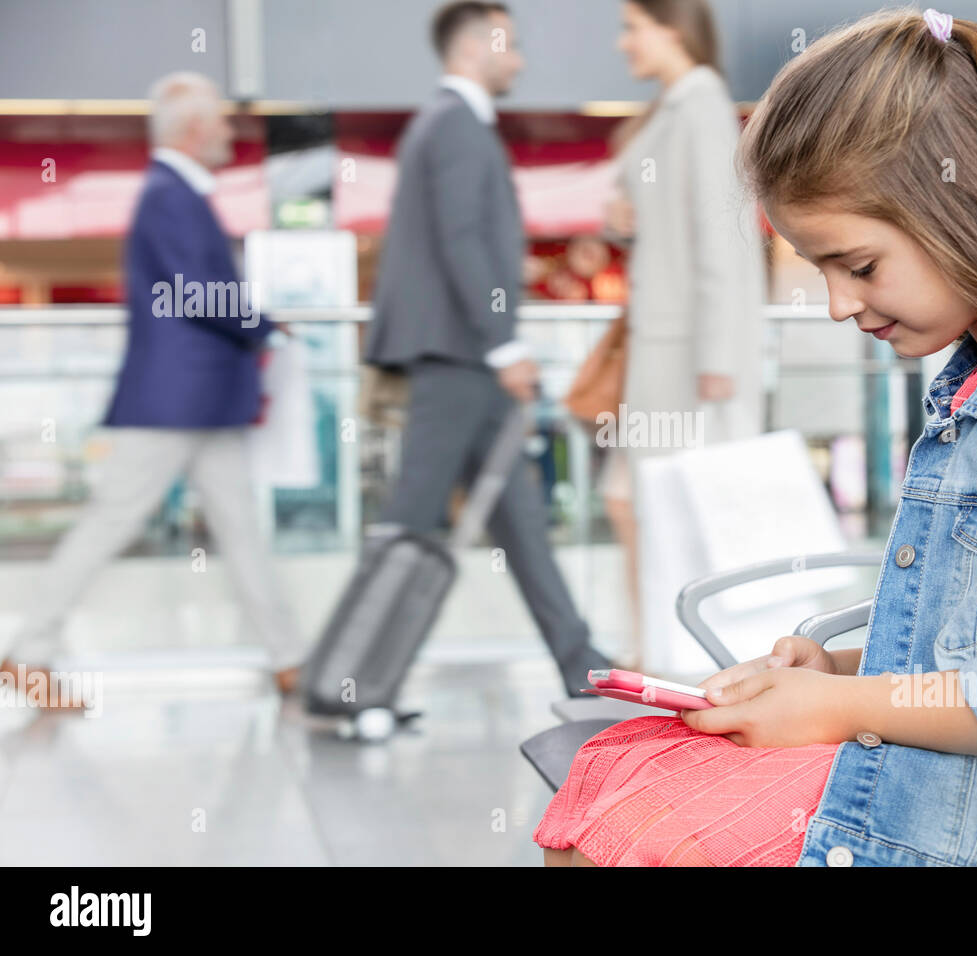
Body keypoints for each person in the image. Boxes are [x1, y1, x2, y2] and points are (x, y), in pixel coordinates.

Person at [534, 8, 977, 866]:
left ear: (963, 206)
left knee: (622, 834)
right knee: (610, 789)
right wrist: (837, 673)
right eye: (822, 271)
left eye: (860, 265)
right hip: (970, 777)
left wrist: (845, 708)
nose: (841, 305)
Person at [0, 72, 304, 703]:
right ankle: (28, 652)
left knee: (237, 528)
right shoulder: (171, 195)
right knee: (113, 522)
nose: (229, 130)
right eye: (221, 120)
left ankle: (289, 660)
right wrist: (262, 327)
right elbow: (194, 291)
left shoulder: (174, 193)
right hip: (178, 402)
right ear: (194, 131)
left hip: (194, 401)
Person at [363, 1, 610, 696]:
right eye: (512, 46)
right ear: (474, 47)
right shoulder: (456, 125)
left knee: (520, 518)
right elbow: (462, 240)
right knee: (411, 522)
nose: (522, 60)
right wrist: (505, 345)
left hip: (463, 358)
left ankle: (579, 664)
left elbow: (460, 245)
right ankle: (359, 680)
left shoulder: (447, 125)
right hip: (459, 359)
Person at [597, 0, 767, 666]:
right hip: (664, 342)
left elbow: (723, 238)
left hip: (685, 351)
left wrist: (720, 355)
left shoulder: (699, 107)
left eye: (632, 27)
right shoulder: (675, 109)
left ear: (672, 28)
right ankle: (650, 647)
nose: (622, 44)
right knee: (625, 496)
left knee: (663, 503)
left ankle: (674, 653)